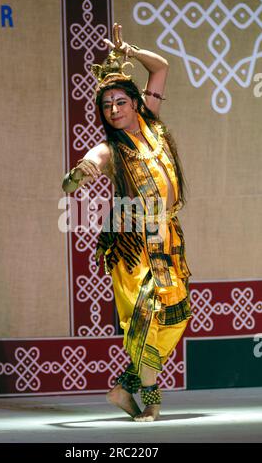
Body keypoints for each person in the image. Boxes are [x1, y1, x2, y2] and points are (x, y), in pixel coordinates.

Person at [62, 23, 192, 422]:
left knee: (177, 312)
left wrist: (129, 51)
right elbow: (84, 169)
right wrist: (80, 174)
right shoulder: (109, 148)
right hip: (131, 243)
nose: (114, 109)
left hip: (167, 235)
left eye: (120, 101)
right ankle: (150, 397)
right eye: (107, 106)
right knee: (143, 317)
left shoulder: (152, 125)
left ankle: (126, 388)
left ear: (136, 102)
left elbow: (162, 67)